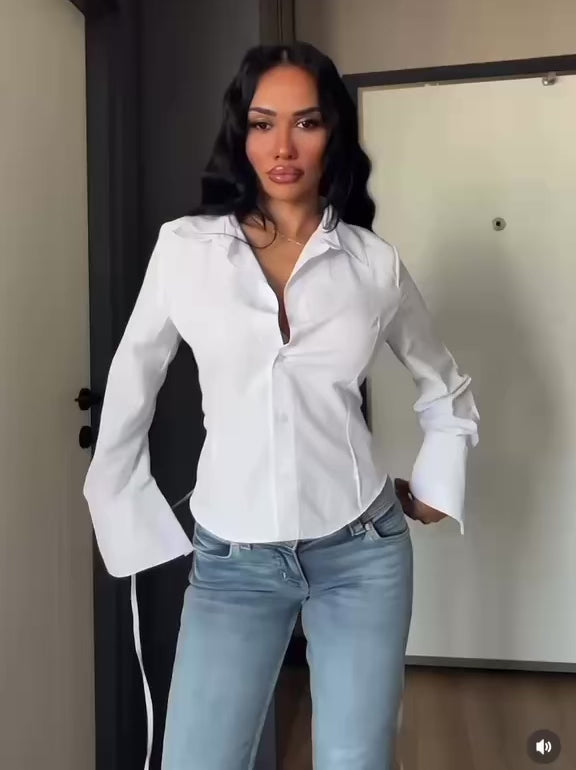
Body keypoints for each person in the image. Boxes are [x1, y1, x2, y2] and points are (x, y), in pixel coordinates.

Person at [83, 41, 479, 770]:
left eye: (307, 122)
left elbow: (444, 385)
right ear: (242, 132)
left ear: (334, 134)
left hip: (361, 551)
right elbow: (131, 382)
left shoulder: (373, 264)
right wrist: (125, 513)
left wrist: (435, 487)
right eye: (264, 123)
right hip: (232, 562)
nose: (283, 147)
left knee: (356, 761)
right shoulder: (186, 251)